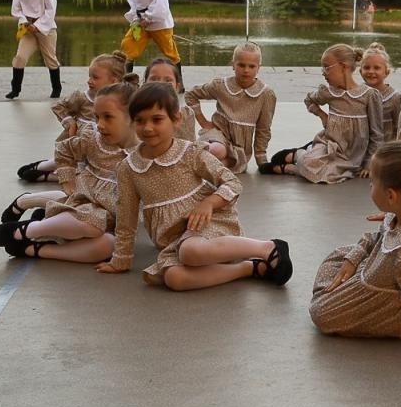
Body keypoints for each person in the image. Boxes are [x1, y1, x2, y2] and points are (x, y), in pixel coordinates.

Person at [98, 82, 291, 289]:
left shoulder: (190, 153)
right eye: (140, 121)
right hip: (173, 241)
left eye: (157, 119)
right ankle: (250, 268)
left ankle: (268, 248)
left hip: (207, 225)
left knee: (190, 252)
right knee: (174, 279)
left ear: (176, 119)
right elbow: (126, 216)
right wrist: (121, 259)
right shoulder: (128, 168)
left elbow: (232, 181)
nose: (148, 128)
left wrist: (209, 203)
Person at [309, 141, 401, 373]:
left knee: (322, 314)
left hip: (394, 305)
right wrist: (355, 258)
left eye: (371, 183)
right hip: (388, 272)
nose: (369, 187)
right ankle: (356, 269)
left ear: (390, 195)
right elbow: (379, 238)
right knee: (341, 255)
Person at [0, 79, 141, 262]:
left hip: (109, 215)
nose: (100, 124)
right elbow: (64, 149)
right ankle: (25, 229)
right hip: (85, 200)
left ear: (133, 118)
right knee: (89, 218)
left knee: (109, 245)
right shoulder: (93, 139)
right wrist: (67, 179)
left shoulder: (145, 152)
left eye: (108, 117)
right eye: (97, 117)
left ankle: (34, 249)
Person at [265, 43, 382, 182]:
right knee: (311, 165)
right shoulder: (328, 92)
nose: (323, 72)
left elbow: (377, 134)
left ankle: (296, 163)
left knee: (330, 173)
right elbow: (309, 100)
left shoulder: (369, 95)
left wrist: (369, 163)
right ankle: (299, 156)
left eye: (327, 67)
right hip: (330, 146)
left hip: (355, 155)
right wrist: (322, 115)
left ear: (343, 66)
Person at [16, 52, 131, 183]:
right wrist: (69, 121)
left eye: (95, 77)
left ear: (114, 81)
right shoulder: (82, 97)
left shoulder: (123, 100)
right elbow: (59, 106)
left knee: (92, 175)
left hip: (104, 146)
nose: (89, 80)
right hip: (81, 144)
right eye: (89, 76)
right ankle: (43, 166)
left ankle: (47, 176)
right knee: (76, 164)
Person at [183, 42, 276, 174]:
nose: (246, 70)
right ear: (233, 65)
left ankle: (195, 168)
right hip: (218, 135)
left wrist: (261, 158)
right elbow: (191, 95)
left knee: (223, 165)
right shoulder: (221, 86)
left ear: (258, 68)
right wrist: (203, 122)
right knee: (217, 150)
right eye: (241, 65)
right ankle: (192, 158)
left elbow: (263, 128)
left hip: (240, 147)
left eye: (251, 66)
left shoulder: (265, 94)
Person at [7, 0, 59, 100]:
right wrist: (25, 23)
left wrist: (37, 26)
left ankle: (56, 88)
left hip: (46, 28)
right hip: (27, 28)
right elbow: (16, 10)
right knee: (20, 57)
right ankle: (15, 89)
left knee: (50, 59)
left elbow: (51, 9)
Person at [360, 42, 401, 143]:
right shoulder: (356, 94)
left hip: (385, 150)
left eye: (377, 68)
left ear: (386, 72)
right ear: (360, 71)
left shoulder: (395, 98)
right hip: (360, 149)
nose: (371, 71)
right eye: (366, 68)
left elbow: (399, 129)